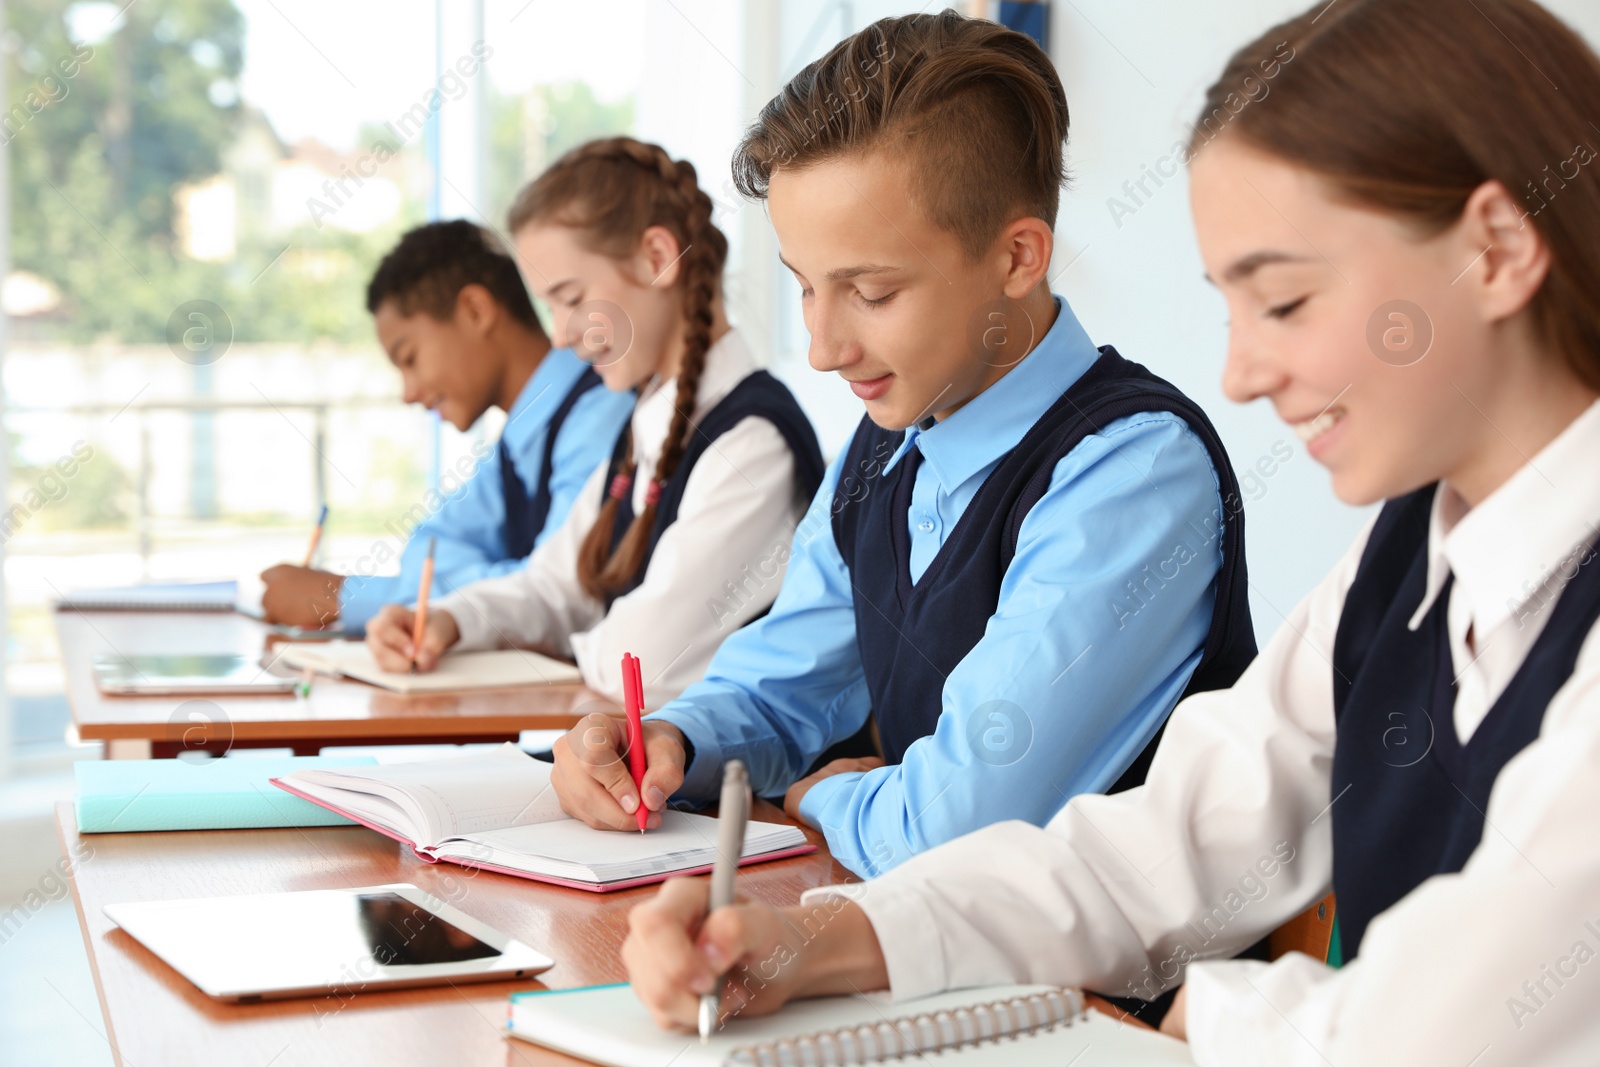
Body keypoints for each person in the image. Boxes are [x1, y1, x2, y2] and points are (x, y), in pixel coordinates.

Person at [619, 1, 1600, 1062]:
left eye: (1284, 300)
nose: (1239, 374)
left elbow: (1453, 1025)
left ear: (1497, 247)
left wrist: (1226, 1015)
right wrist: (813, 939)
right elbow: (1169, 842)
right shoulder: (1412, 554)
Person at [547, 11, 1255, 877]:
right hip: (926, 956)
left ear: (1019, 257)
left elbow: (958, 826)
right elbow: (782, 686)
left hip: (1111, 1002)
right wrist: (670, 741)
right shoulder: (883, 449)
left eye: (871, 291)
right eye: (806, 287)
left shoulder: (1135, 470)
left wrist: (811, 796)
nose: (822, 347)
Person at [365, 139, 824, 706]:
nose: (558, 335)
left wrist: (564, 644)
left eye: (570, 298)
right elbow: (557, 585)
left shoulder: (751, 442)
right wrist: (448, 620)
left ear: (657, 258)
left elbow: (645, 662)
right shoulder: (645, 429)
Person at [258, 220, 632, 630]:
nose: (408, 392)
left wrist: (344, 598)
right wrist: (497, 577)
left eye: (410, 357)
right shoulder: (516, 446)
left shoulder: (600, 417)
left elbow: (553, 592)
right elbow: (429, 547)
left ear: (475, 311)